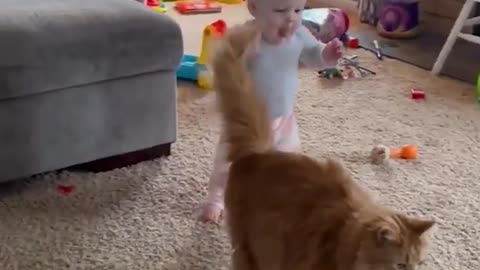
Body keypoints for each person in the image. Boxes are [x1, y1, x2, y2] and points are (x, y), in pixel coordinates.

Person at [199, 0, 344, 223]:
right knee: (229, 162)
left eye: (298, 10)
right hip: (246, 122)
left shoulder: (300, 36)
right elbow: (225, 71)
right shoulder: (247, 39)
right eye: (280, 10)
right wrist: (241, 59)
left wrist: (327, 55)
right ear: (254, 8)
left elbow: (314, 56)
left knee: (289, 164)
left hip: (283, 121)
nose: (291, 18)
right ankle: (216, 198)